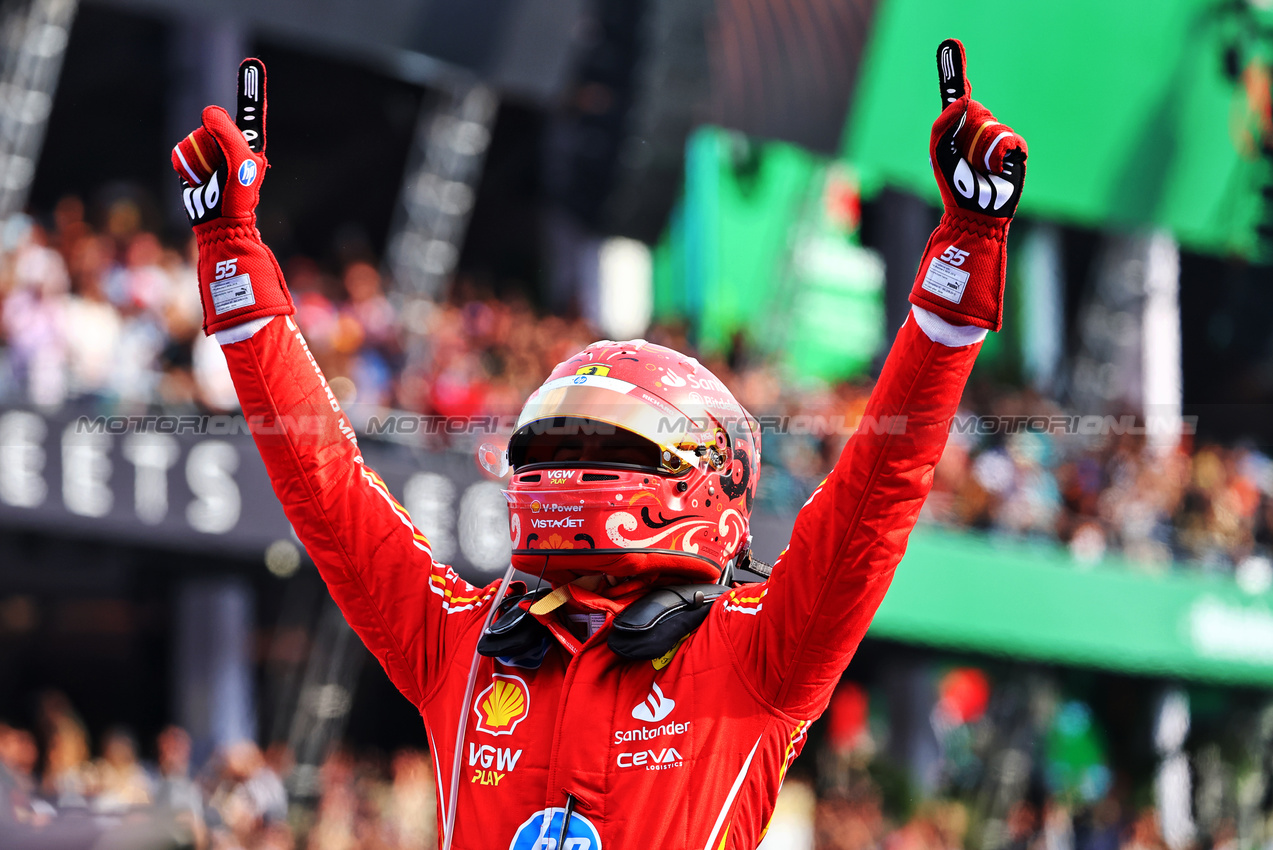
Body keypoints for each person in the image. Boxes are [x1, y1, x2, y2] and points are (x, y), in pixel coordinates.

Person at [171, 41, 1026, 850]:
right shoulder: (463, 646)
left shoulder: (762, 656)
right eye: (548, 445)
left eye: (607, 446)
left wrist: (961, 261)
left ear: (705, 479)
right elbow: (325, 490)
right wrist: (233, 261)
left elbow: (877, 494)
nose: (561, 471)